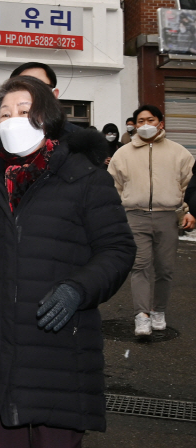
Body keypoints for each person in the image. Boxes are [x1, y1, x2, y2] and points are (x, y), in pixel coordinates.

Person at [0, 75, 136, 448]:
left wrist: (78, 289)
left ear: (48, 117)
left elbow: (118, 248)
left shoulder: (85, 178)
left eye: (24, 111)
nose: (13, 120)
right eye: (4, 113)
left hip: (59, 349)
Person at [108, 105, 195, 336]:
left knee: (165, 269)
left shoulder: (179, 153)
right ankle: (142, 315)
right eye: (140, 121)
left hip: (168, 217)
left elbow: (188, 186)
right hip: (134, 216)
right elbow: (112, 187)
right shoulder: (122, 154)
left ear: (161, 123)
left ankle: (159, 311)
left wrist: (187, 211)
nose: (145, 124)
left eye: (150, 119)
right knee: (140, 266)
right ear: (134, 125)